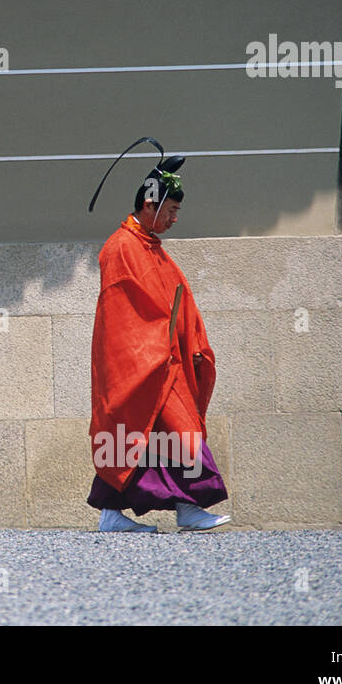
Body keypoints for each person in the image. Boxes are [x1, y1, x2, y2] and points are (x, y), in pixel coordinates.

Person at [84, 139, 231, 532]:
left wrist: (190, 341)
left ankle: (127, 513)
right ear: (150, 205)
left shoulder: (152, 249)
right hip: (140, 362)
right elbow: (122, 316)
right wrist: (153, 347)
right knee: (160, 433)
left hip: (165, 361)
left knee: (154, 435)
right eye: (172, 210)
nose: (175, 219)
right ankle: (141, 512)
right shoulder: (120, 247)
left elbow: (178, 302)